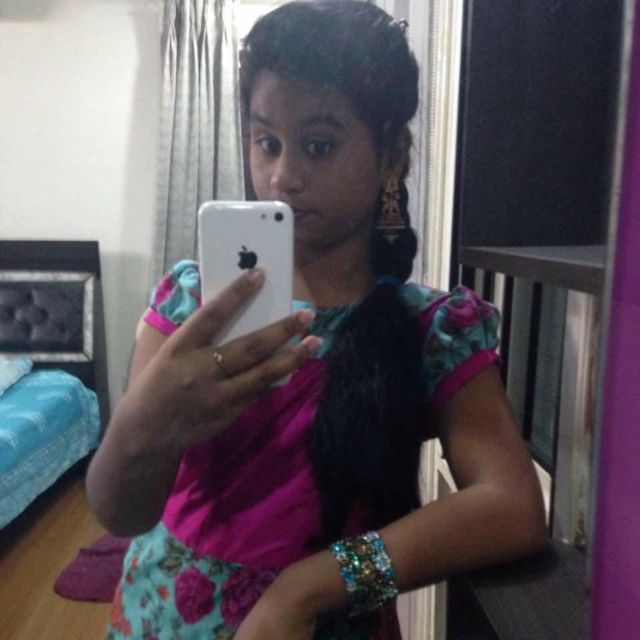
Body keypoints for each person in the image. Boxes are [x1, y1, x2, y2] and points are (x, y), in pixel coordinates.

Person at [87, 2, 546, 638]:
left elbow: (514, 508)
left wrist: (312, 586)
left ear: (390, 153)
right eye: (266, 142)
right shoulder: (192, 305)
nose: (283, 177)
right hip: (157, 616)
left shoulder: (431, 330)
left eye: (319, 146)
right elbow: (121, 513)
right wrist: (144, 422)